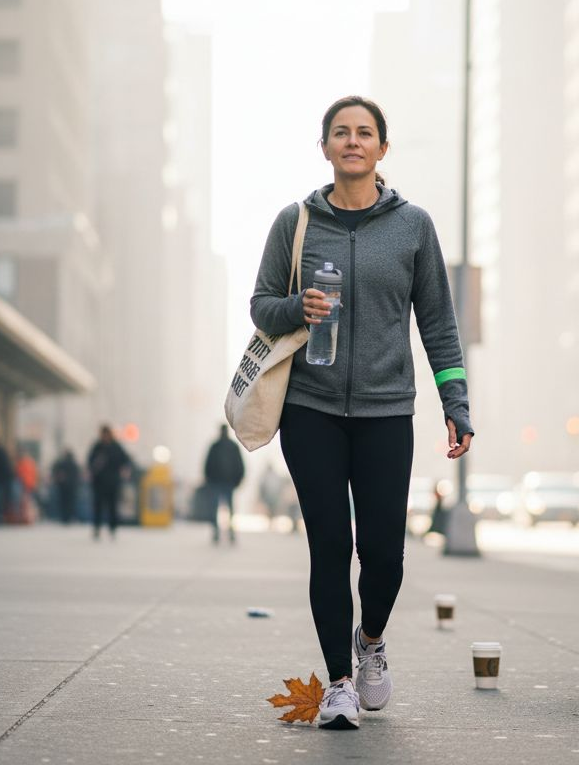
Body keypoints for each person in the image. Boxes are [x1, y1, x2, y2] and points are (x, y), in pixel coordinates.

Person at [248, 96, 474, 730]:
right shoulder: (294, 222)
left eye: (364, 133)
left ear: (381, 148)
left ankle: (369, 640)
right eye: (341, 133)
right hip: (310, 408)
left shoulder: (413, 226)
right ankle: (339, 684)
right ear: (325, 147)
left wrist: (454, 402)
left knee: (383, 554)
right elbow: (261, 305)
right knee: (330, 546)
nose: (352, 141)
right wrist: (299, 308)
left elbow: (438, 322)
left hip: (383, 411)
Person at [86, 425, 133, 539]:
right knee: (98, 506)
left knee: (112, 506)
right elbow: (89, 461)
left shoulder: (116, 447)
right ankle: (97, 528)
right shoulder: (97, 447)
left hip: (113, 482)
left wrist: (125, 470)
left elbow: (126, 459)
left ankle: (113, 528)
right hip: (99, 482)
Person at [203, 424, 245, 545]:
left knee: (216, 508)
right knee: (229, 509)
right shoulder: (232, 446)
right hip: (227, 483)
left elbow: (207, 465)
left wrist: (208, 480)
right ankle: (229, 533)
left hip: (218, 483)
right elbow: (240, 465)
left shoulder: (215, 446)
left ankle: (218, 532)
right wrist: (238, 480)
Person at [50, 449, 81, 525]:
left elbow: (55, 471)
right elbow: (77, 475)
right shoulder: (74, 464)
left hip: (63, 486)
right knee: (70, 503)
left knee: (63, 502)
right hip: (71, 487)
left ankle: (64, 517)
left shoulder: (61, 463)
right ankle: (69, 517)